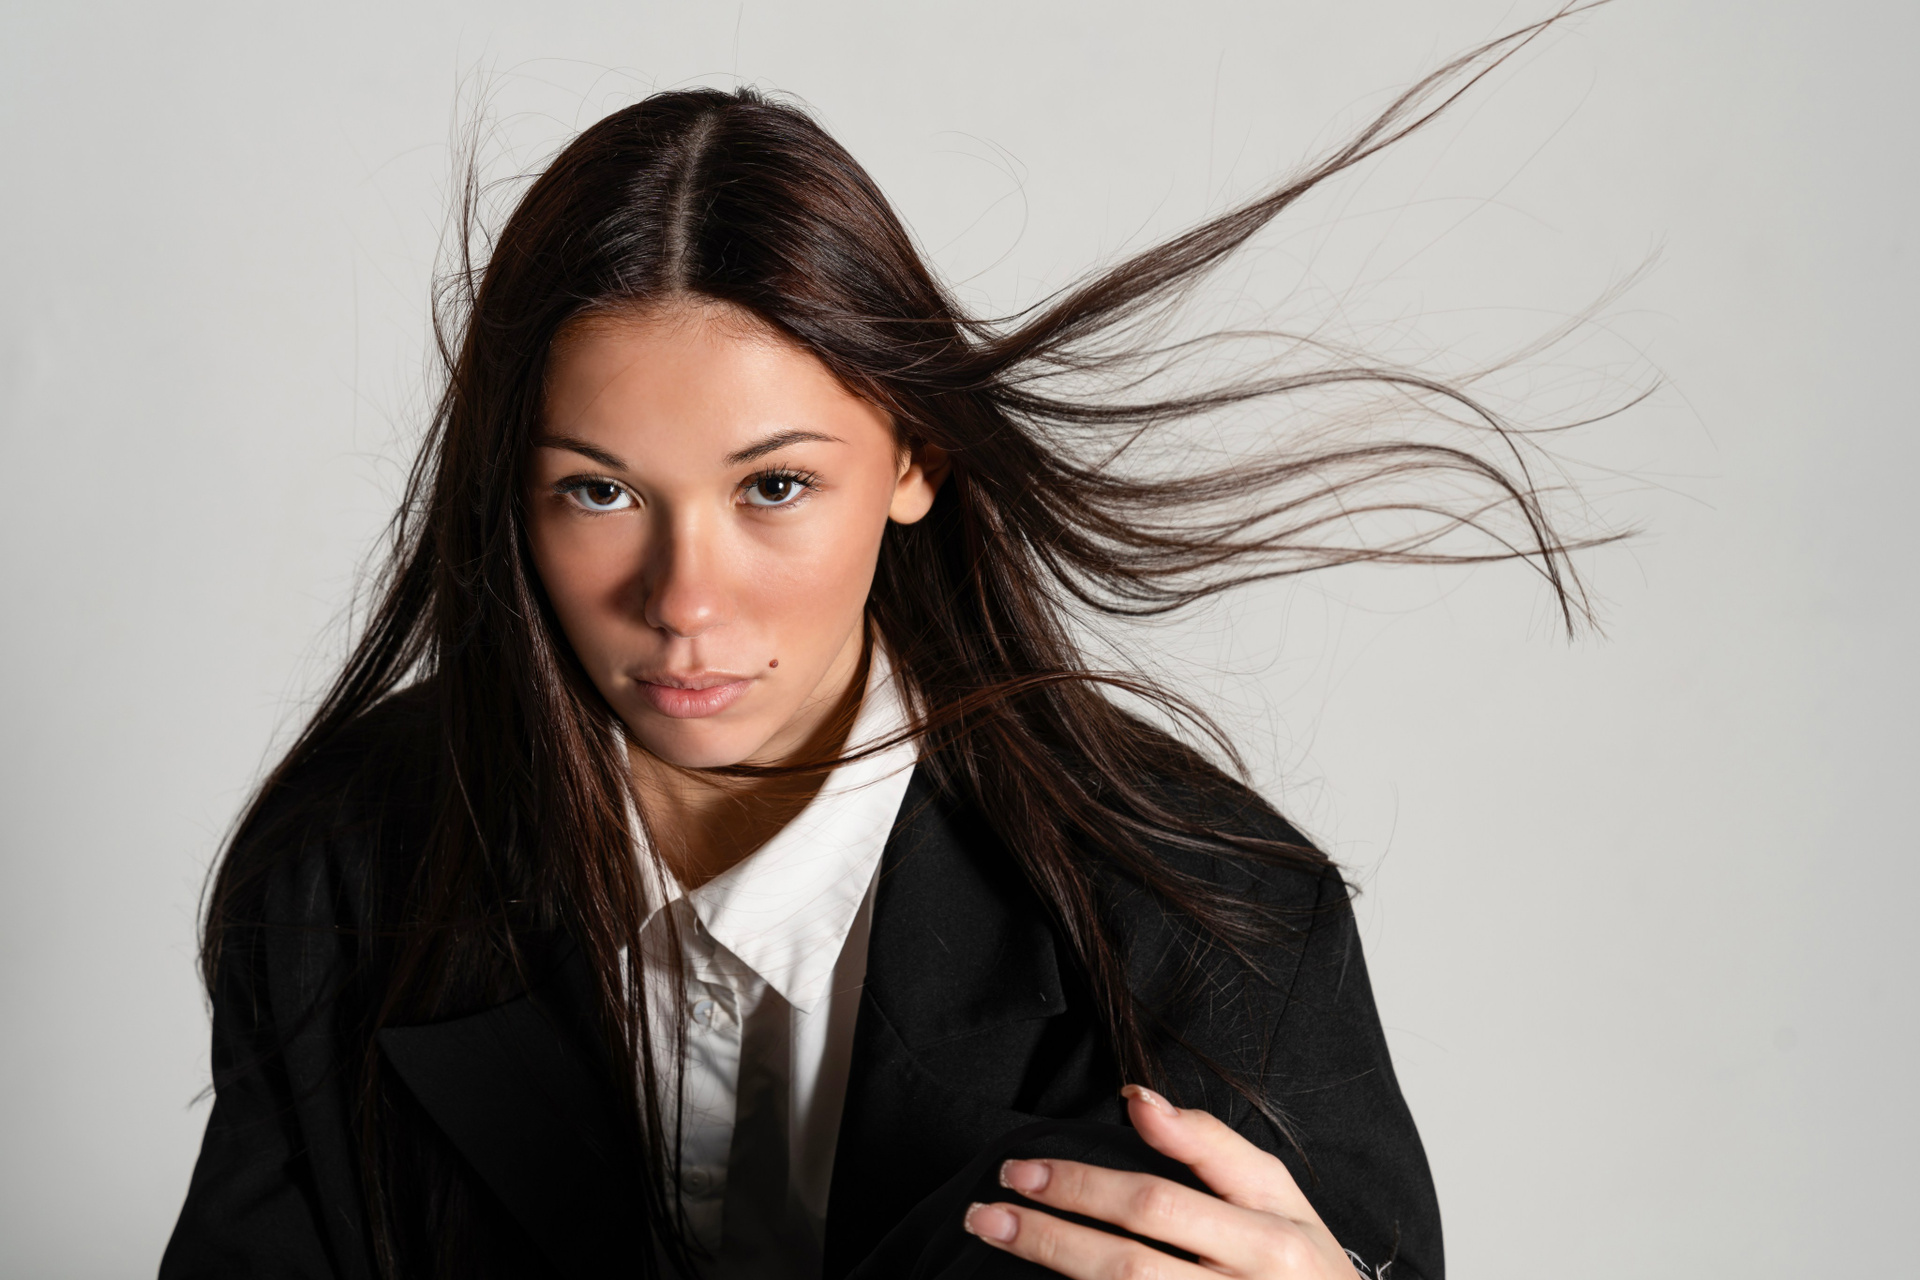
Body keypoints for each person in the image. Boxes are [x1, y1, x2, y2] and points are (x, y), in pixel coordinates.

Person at [161, 14, 1602, 1280]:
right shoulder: (342, 873)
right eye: (599, 493)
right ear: (508, 497)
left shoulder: (1214, 920)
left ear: (913, 461)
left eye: (775, 486)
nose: (686, 602)